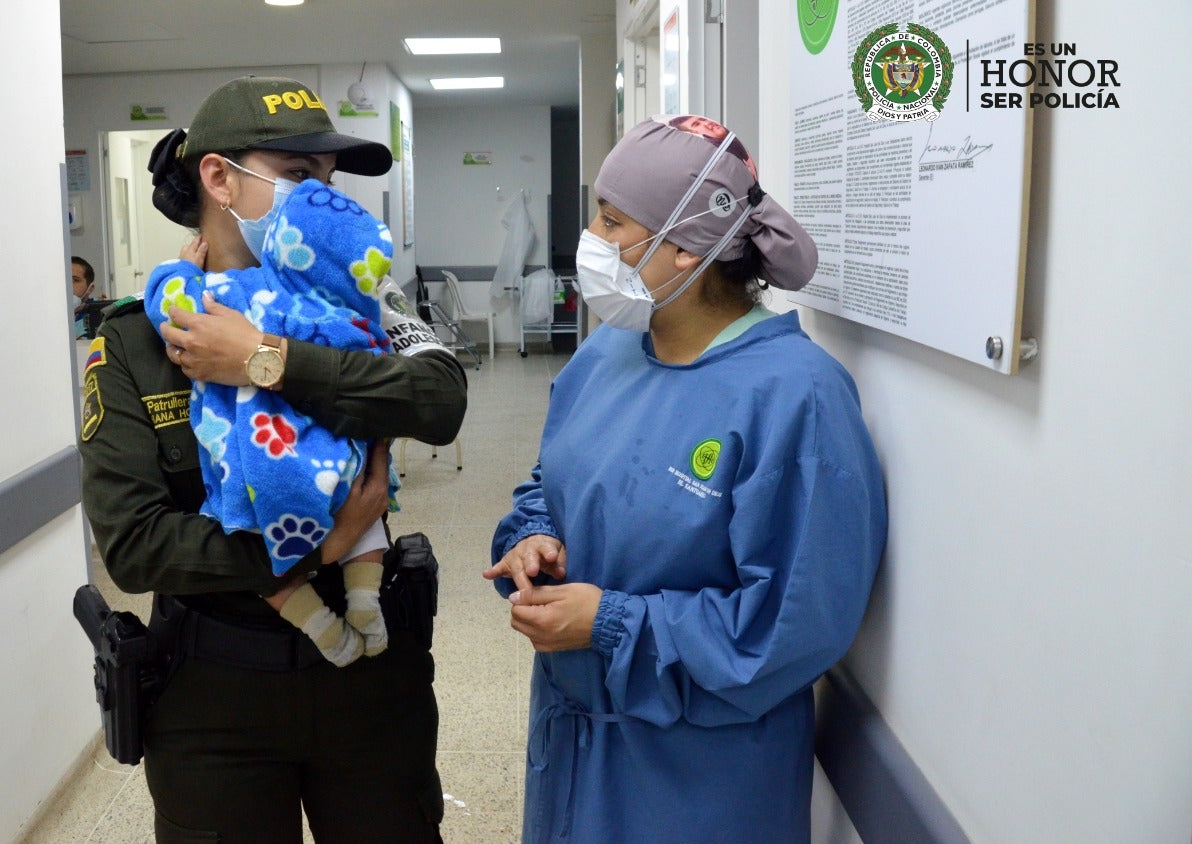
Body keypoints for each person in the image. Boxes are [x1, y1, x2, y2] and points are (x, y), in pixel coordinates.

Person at [78, 75, 466, 843]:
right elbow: (133, 543)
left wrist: (268, 358)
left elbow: (439, 403)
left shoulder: (361, 304)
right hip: (215, 693)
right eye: (295, 177)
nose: (320, 199)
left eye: (326, 180)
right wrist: (311, 548)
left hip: (369, 679)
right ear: (219, 178)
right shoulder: (135, 338)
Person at [484, 115, 887, 843]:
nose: (594, 240)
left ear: (684, 248)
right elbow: (551, 478)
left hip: (701, 772)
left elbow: (789, 626)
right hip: (576, 744)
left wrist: (610, 625)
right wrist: (535, 534)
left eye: (612, 221)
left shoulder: (797, 400)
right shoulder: (607, 354)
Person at [142, 177, 436, 667]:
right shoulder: (359, 315)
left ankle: (318, 624)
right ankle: (365, 600)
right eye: (299, 171)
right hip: (347, 464)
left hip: (274, 471)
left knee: (256, 540)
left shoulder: (249, 294)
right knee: (365, 526)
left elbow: (178, 310)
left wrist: (179, 270)